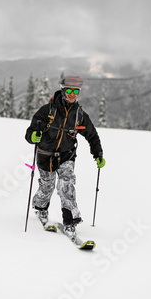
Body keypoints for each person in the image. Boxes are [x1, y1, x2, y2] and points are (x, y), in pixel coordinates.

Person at [25, 75, 105, 238]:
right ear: (62, 90)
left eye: (75, 91)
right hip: (45, 155)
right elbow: (30, 132)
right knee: (47, 186)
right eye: (69, 90)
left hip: (66, 155)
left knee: (66, 185)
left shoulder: (79, 115)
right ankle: (40, 208)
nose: (72, 94)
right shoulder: (47, 111)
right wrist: (33, 137)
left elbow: (92, 135)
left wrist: (97, 153)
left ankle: (70, 221)